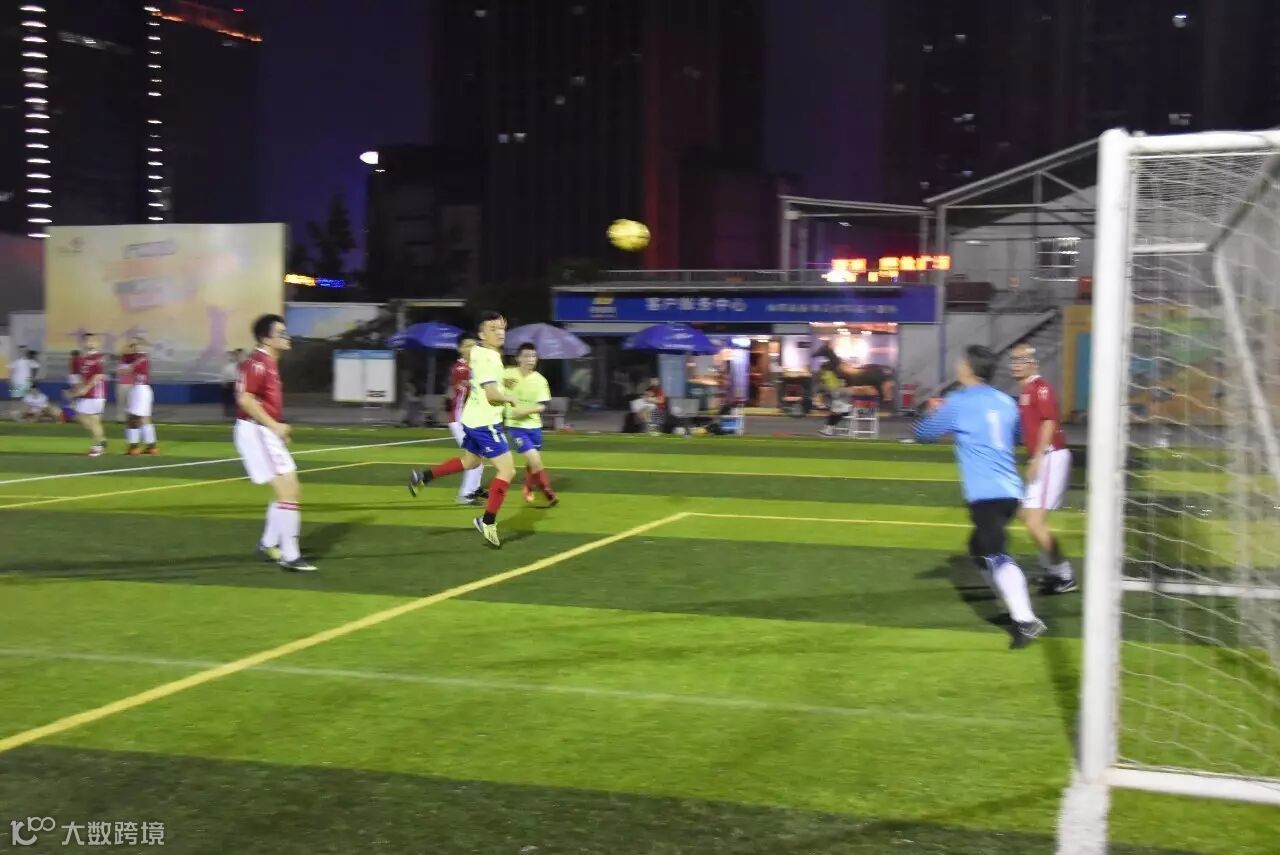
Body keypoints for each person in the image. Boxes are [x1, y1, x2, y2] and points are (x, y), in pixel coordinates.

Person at [914, 344, 1047, 649]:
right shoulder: (1006, 402)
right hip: (1010, 491)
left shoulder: (958, 402)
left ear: (968, 368)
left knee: (996, 552)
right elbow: (1016, 436)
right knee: (978, 548)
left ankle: (1026, 620)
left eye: (960, 362)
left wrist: (932, 412)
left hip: (985, 493)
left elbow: (924, 434)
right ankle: (1013, 603)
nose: (957, 366)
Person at [408, 311, 519, 548]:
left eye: (502, 328)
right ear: (482, 334)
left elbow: (480, 371)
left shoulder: (479, 351)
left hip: (471, 419)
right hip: (485, 423)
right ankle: (487, 521)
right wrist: (508, 397)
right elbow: (491, 395)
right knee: (507, 470)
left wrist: (501, 382)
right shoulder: (489, 357)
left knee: (471, 462)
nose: (500, 332)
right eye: (493, 329)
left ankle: (424, 477)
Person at [233, 314, 315, 572]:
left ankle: (269, 543)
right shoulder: (258, 363)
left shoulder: (267, 362)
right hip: (256, 431)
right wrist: (274, 426)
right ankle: (290, 556)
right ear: (266, 339)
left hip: (264, 431)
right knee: (288, 491)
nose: (287, 337)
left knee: (290, 489)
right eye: (281, 333)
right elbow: (245, 399)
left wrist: (276, 428)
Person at [1010, 344, 1076, 594]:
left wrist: (1037, 458)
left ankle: (1064, 575)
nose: (1016, 364)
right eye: (1014, 360)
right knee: (1026, 516)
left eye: (1022, 360)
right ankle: (1053, 569)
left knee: (1034, 521)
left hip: (1050, 456)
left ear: (1034, 364)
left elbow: (1049, 422)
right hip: (1043, 457)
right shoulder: (1026, 390)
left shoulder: (1041, 388)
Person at [504, 342, 558, 506]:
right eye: (527, 356)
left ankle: (527, 487)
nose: (530, 359)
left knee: (533, 462)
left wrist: (524, 410)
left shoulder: (540, 380)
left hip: (534, 426)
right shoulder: (507, 375)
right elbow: (493, 389)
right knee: (534, 459)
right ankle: (548, 491)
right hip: (516, 426)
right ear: (518, 358)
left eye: (533, 356)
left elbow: (543, 405)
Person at [446, 333, 487, 505]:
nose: (472, 349)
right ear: (460, 349)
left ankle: (474, 488)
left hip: (469, 419)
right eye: (468, 346)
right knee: (474, 456)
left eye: (474, 345)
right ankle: (465, 494)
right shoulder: (461, 369)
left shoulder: (472, 366)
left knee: (479, 455)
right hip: (460, 419)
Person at [71, 335, 108, 457]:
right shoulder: (83, 359)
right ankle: (101, 440)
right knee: (80, 417)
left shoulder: (99, 357)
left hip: (96, 393)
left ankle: (97, 447)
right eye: (87, 341)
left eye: (93, 341)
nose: (90, 343)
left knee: (94, 420)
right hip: (86, 394)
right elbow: (82, 377)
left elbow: (99, 375)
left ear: (98, 343)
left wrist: (86, 388)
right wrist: (78, 389)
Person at [123, 338, 157, 455]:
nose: (135, 346)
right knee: (144, 418)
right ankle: (151, 447)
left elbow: (128, 370)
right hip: (140, 389)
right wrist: (129, 344)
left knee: (133, 418)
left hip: (141, 389)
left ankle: (133, 447)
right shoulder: (136, 357)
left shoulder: (142, 358)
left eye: (137, 344)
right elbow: (121, 355)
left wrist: (123, 370)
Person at [9, 348, 39, 419]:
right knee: (18, 398)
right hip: (19, 383)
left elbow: (36, 368)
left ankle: (19, 413)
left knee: (22, 398)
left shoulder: (29, 362)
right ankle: (16, 413)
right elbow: (36, 369)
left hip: (20, 383)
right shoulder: (26, 362)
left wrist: (32, 377)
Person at [220, 350, 242, 420]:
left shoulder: (235, 366)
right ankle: (230, 412)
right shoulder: (230, 366)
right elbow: (224, 376)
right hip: (231, 383)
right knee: (231, 399)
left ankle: (230, 412)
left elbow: (224, 377)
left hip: (232, 383)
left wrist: (224, 383)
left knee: (232, 399)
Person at [115, 345, 134, 423]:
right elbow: (119, 372)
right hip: (121, 384)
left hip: (131, 385)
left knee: (130, 403)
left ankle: (130, 418)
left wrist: (125, 371)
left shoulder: (135, 361)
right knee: (121, 403)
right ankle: (120, 419)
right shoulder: (121, 361)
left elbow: (133, 371)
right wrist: (128, 370)